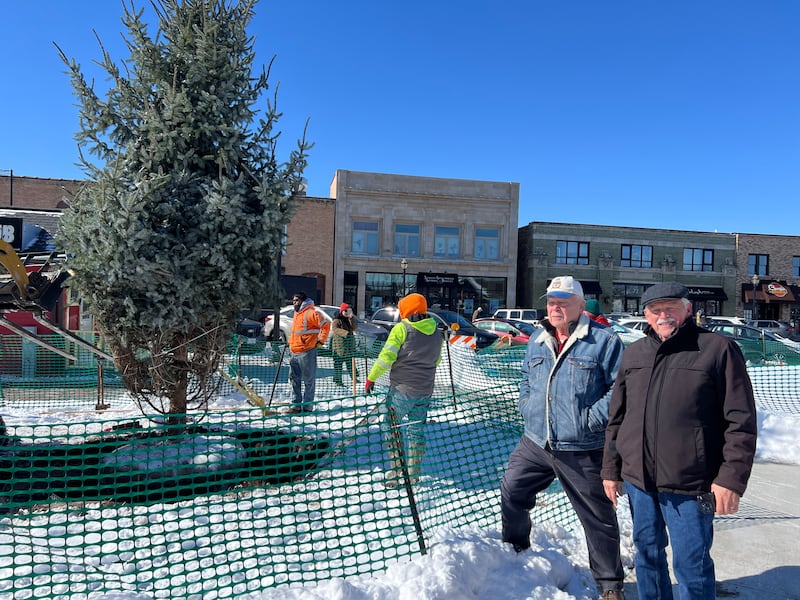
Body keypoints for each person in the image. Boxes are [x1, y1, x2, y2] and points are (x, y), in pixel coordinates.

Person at [601, 282, 757, 600]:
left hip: (690, 484)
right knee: (648, 558)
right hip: (639, 481)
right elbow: (618, 418)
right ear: (645, 314)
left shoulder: (716, 349)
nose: (663, 315)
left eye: (671, 307)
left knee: (692, 568)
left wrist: (730, 479)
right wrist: (610, 469)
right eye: (655, 309)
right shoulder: (634, 353)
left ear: (688, 309)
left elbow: (740, 421)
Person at [501, 276, 626, 600]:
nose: (555, 307)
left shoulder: (604, 341)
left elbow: (620, 391)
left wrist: (588, 421)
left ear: (581, 306)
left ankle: (610, 585)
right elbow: (527, 378)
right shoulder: (538, 338)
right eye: (551, 301)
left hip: (581, 446)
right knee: (512, 490)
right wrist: (527, 406)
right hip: (536, 440)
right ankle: (517, 548)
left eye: (563, 301)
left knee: (597, 517)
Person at [365, 293, 443, 485]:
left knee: (391, 426)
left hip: (402, 389)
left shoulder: (402, 329)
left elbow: (386, 357)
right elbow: (438, 360)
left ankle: (396, 472)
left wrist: (371, 378)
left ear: (407, 310)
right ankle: (413, 475)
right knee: (416, 430)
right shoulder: (437, 332)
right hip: (425, 389)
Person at [287, 292, 330, 414]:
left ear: (302, 301)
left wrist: (321, 340)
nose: (294, 303)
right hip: (294, 351)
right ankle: (295, 405)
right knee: (294, 379)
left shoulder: (312, 312)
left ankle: (307, 406)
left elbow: (326, 325)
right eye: (293, 300)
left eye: (296, 300)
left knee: (308, 380)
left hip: (307, 351)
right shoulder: (297, 313)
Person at [332, 303, 359, 386]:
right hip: (339, 347)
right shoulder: (337, 320)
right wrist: (345, 333)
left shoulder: (349, 320)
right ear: (342, 311)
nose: (347, 312)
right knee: (338, 365)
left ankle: (354, 379)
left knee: (351, 364)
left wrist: (351, 318)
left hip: (349, 347)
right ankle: (338, 381)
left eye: (349, 310)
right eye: (345, 311)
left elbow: (354, 327)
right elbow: (335, 329)